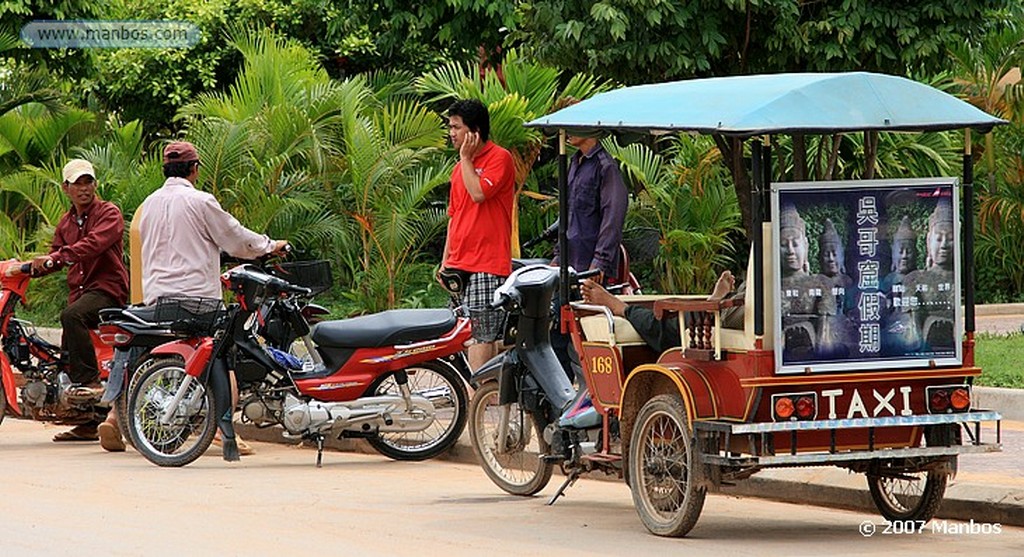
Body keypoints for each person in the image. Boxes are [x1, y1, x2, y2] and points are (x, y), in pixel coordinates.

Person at [125, 141, 289, 454]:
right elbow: (236, 238)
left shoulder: (149, 204)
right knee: (225, 352)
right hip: (198, 299)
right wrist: (270, 245)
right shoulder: (201, 201)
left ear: (165, 169)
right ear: (195, 168)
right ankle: (223, 427)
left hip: (158, 300)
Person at [28, 159, 129, 444]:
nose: (84, 188)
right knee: (66, 356)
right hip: (81, 294)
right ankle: (86, 421)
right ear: (66, 188)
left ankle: (89, 383)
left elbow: (93, 244)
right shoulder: (66, 222)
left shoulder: (109, 213)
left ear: (95, 185)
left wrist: (56, 257)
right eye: (77, 183)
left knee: (72, 316)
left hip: (107, 290)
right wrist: (31, 268)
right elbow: (56, 255)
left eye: (88, 182)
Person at [441, 99, 515, 371]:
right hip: (459, 263)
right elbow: (454, 216)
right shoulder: (459, 168)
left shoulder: (500, 158)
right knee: (465, 332)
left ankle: (477, 397)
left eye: (456, 127)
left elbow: (478, 193)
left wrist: (465, 159)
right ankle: (488, 391)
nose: (451, 133)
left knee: (481, 334)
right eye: (450, 127)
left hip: (486, 262)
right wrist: (445, 261)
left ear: (475, 131)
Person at [580, 271, 742, 353]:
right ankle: (713, 302)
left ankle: (620, 308)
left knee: (668, 327)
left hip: (738, 312)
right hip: (746, 304)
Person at [778, 203, 840, 359]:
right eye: (783, 245)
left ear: (805, 245)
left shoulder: (820, 282)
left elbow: (826, 327)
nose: (791, 251)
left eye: (795, 244)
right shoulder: (767, 284)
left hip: (812, 350)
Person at [900, 198, 956, 351]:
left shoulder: (957, 279)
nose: (944, 245)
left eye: (950, 239)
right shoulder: (915, 279)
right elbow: (911, 323)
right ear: (929, 240)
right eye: (938, 238)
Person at [818, 218, 854, 314]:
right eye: (826, 255)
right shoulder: (817, 282)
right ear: (820, 258)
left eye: (834, 254)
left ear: (841, 257)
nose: (831, 259)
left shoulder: (847, 281)